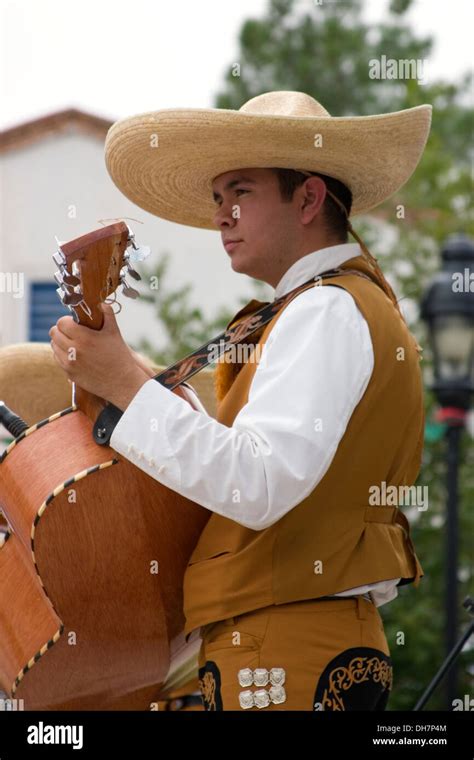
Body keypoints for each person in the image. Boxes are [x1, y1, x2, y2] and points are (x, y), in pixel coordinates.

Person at [50, 90, 432, 711]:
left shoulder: (324, 308)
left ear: (308, 198)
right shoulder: (327, 305)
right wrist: (132, 386)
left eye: (242, 192)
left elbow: (256, 482)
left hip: (287, 645)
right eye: (218, 198)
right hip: (293, 640)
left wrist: (125, 385)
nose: (222, 215)